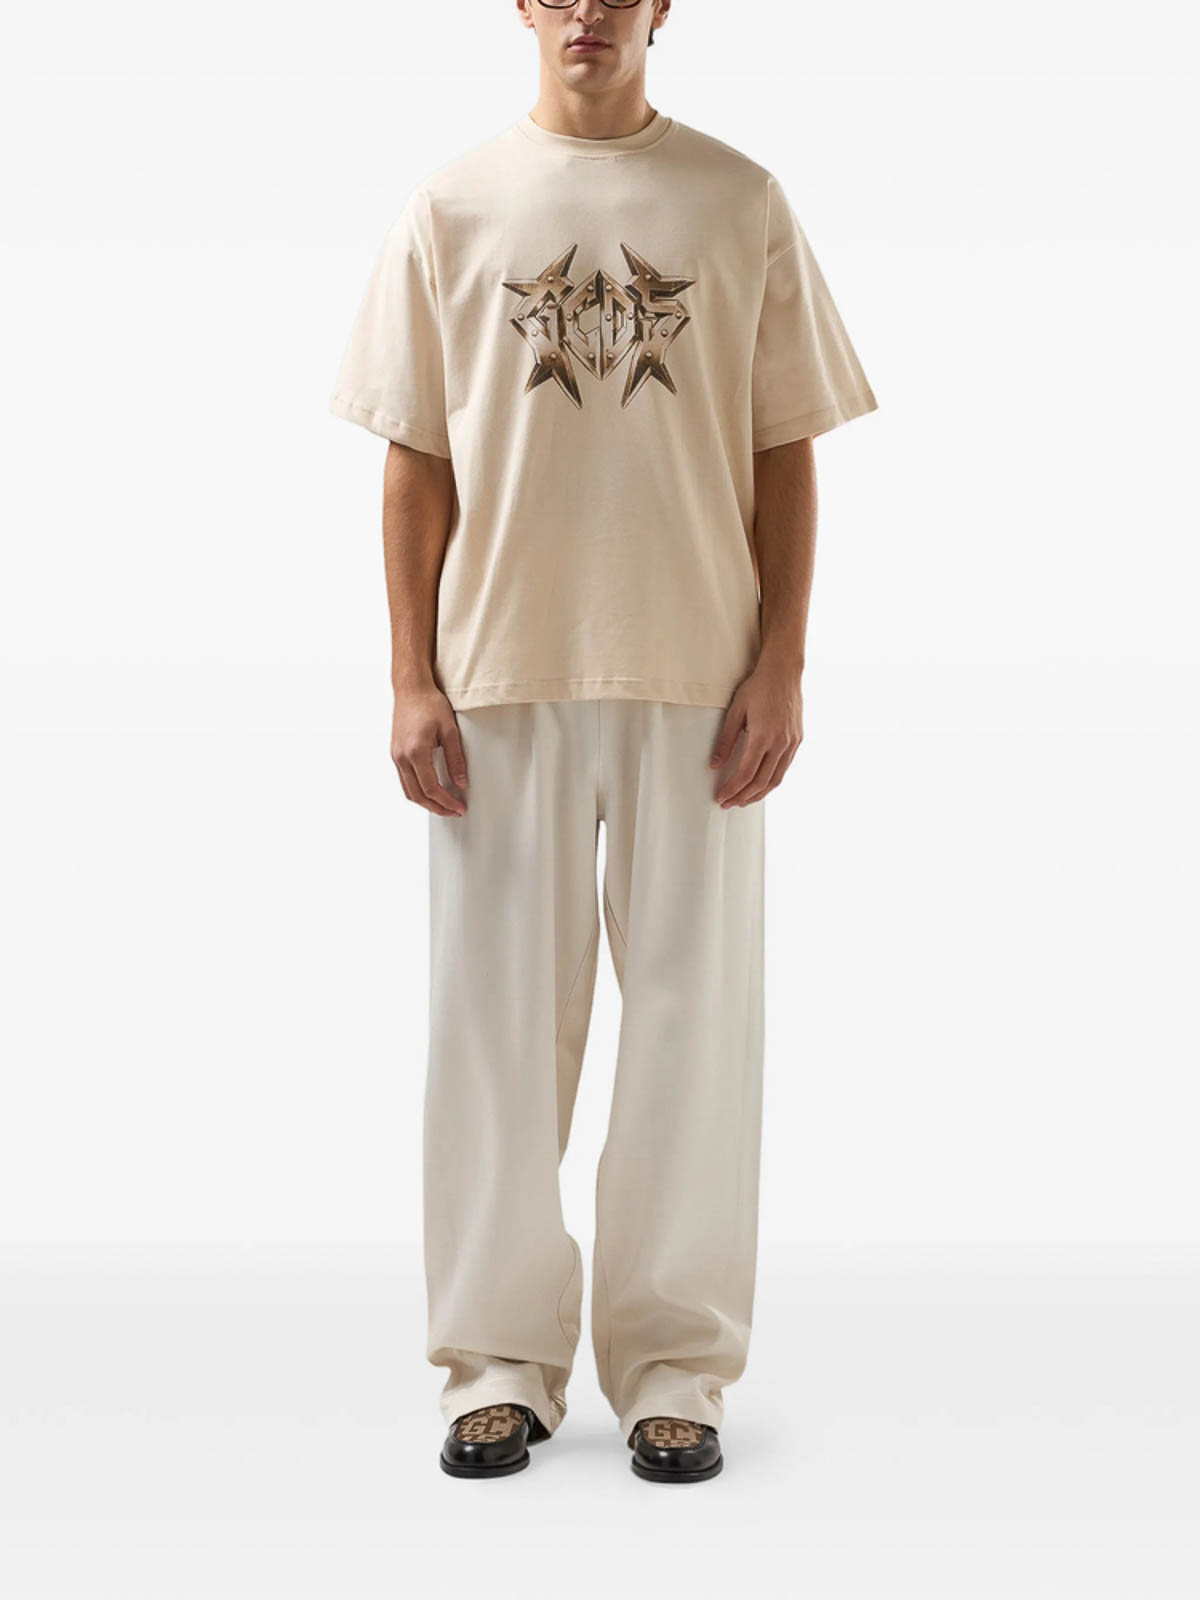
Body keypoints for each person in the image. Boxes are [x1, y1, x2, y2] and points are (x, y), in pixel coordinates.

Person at [329, 0, 877, 1484]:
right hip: (499, 673)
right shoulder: (451, 206)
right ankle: (496, 1364)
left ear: (662, 7)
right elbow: (414, 458)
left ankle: (676, 1366)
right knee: (494, 1031)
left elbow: (783, 446)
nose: (588, 8)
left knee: (696, 1025)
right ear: (521, 4)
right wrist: (410, 677)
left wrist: (782, 662)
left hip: (697, 676)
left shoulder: (738, 201)